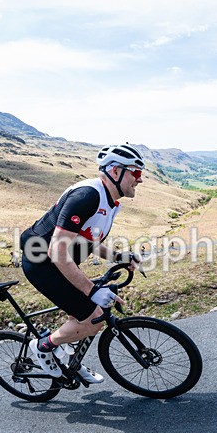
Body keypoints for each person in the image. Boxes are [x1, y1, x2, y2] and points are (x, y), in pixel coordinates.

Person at [19, 144, 144, 383]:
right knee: (92, 318)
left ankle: (67, 358)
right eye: (135, 173)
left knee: (84, 312)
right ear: (115, 172)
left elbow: (89, 239)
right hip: (42, 264)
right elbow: (57, 251)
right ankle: (44, 346)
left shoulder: (110, 202)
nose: (139, 180)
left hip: (61, 263)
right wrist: (92, 289)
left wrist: (118, 257)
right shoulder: (87, 196)